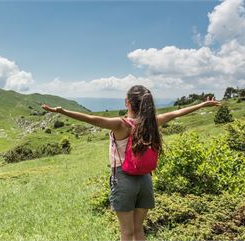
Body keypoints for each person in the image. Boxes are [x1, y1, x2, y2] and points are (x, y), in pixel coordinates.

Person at [42, 85, 220, 240]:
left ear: (127, 102)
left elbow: (91, 119)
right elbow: (176, 113)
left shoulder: (122, 124)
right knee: (138, 229)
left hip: (123, 179)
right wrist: (203, 104)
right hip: (145, 180)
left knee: (126, 232)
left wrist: (62, 111)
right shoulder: (152, 122)